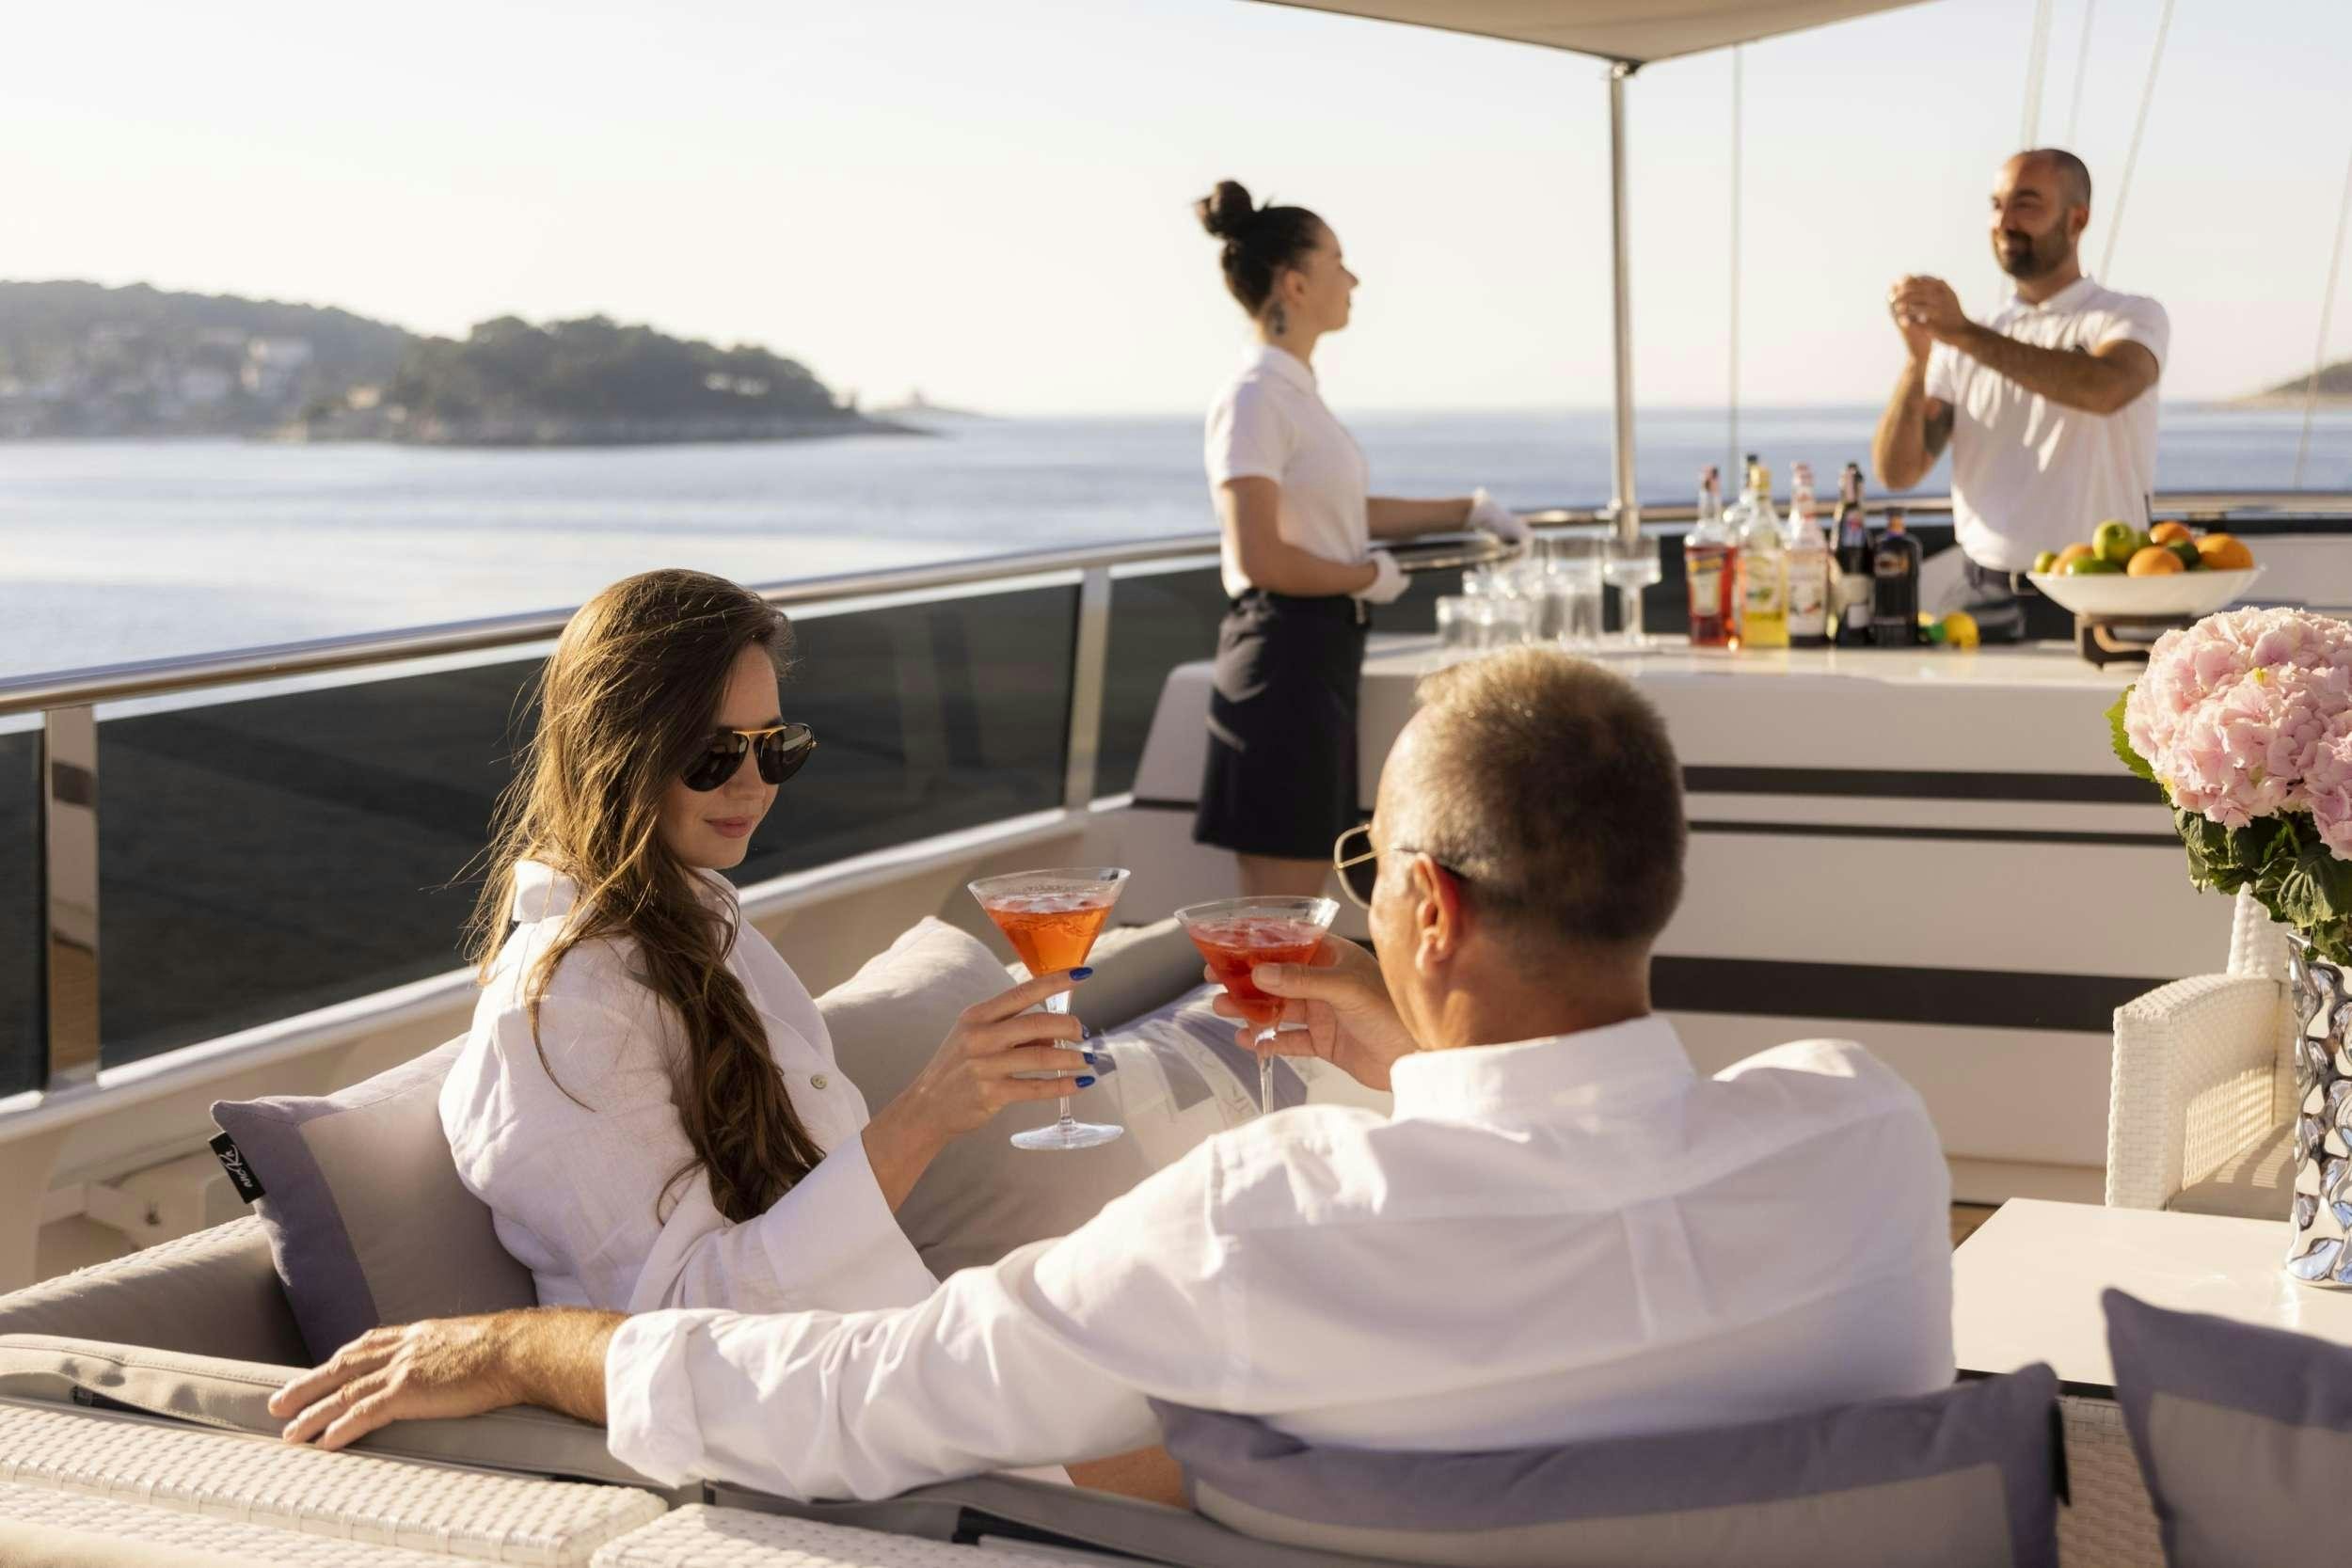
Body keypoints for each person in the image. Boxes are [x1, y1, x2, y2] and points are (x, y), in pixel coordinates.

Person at [274, 649, 1954, 1503]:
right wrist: (1420, 1062)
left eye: (1372, 869)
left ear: (1427, 910)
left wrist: (515, 1341)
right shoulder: (1866, 1138)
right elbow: (1583, 1188)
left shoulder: (1262, 1228)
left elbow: (846, 1398)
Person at [438, 569, 1097, 1320]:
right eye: (713, 753)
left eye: (774, 746)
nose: (754, 785)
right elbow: (682, 1309)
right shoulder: (566, 1006)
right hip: (814, 1380)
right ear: (614, 754)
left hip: (891, 1339)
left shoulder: (707, 927)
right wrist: (925, 1114)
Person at [1192, 180, 1527, 898]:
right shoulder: (1254, 397)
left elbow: (1343, 513)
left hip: (1316, 655)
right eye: (1338, 261)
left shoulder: (1292, 395)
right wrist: (1366, 577)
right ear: (1295, 283)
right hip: (1283, 658)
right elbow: (1260, 557)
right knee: (1281, 909)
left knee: (1297, 901)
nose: (1353, 279)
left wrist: (1467, 510)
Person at [1871, 149, 2169, 641]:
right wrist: (1918, 360)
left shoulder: (2129, 317)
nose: (2004, 222)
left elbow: (2107, 388)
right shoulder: (1965, 338)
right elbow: (1897, 471)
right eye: (1996, 205)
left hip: (2102, 599)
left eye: (2026, 204)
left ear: (2077, 219)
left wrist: (1962, 333)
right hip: (1978, 598)